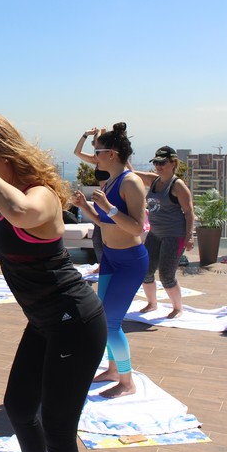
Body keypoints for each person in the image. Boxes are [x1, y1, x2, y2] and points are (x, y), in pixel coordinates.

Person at [0, 112, 106, 452]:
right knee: (19, 409)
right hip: (43, 322)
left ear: (0, 157)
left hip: (75, 322)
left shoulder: (40, 195)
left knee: (57, 429)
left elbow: (21, 210)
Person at [73, 122, 148, 398]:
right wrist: (87, 209)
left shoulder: (131, 182)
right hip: (111, 259)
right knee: (102, 318)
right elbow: (106, 223)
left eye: (98, 151)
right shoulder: (112, 181)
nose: (95, 157)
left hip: (130, 261)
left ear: (112, 154)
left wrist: (109, 207)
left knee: (111, 323)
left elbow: (136, 227)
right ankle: (114, 369)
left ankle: (127, 382)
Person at [132, 146, 195, 318]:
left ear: (173, 163)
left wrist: (190, 237)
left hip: (174, 235)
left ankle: (177, 307)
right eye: (156, 162)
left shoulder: (178, 185)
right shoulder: (153, 180)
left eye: (163, 162)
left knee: (167, 275)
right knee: (145, 271)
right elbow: (130, 173)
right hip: (155, 234)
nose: (159, 166)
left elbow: (189, 213)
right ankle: (152, 303)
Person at [73, 127, 107, 268]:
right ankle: (103, 265)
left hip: (110, 201)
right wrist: (85, 134)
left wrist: (99, 133)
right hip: (101, 201)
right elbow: (77, 152)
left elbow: (101, 145)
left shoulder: (108, 161)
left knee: (102, 238)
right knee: (98, 239)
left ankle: (105, 266)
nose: (94, 147)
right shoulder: (96, 161)